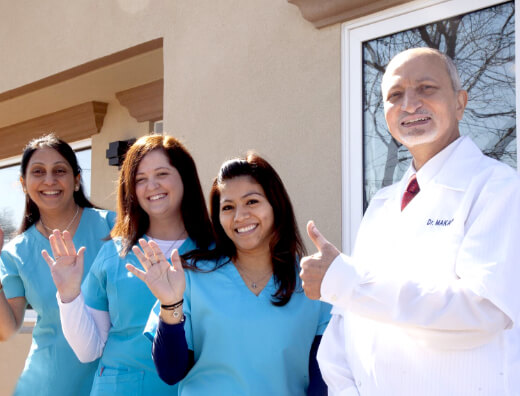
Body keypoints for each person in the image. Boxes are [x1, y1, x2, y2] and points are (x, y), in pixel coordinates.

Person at [299, 47, 520, 396]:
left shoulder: (498, 189)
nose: (409, 104)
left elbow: (484, 311)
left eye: (426, 88)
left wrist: (346, 280)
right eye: (395, 95)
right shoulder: (383, 203)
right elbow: (347, 323)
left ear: (460, 102)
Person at [129, 153, 331, 395]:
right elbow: (171, 372)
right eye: (228, 207)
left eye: (252, 202)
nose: (240, 216)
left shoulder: (313, 283)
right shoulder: (192, 278)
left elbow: (323, 381)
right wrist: (171, 305)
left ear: (276, 205)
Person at [43, 134, 214, 395]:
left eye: (162, 174)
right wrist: (69, 295)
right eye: (140, 179)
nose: (152, 186)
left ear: (185, 178)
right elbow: (89, 351)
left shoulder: (216, 254)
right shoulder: (113, 253)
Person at [0, 134, 115, 396]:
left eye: (59, 170)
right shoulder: (14, 253)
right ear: (23, 183)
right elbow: (7, 329)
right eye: (38, 172)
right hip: (47, 385)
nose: (49, 180)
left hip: (112, 380)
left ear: (76, 180)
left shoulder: (112, 228)